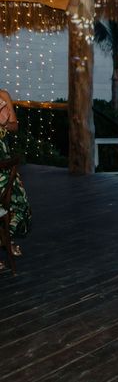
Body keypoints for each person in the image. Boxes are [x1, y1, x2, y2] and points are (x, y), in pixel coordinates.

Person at [0, 90, 31, 268]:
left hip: (4, 160)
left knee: (19, 204)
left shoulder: (3, 95)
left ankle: (6, 240)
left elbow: (15, 126)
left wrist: (4, 124)